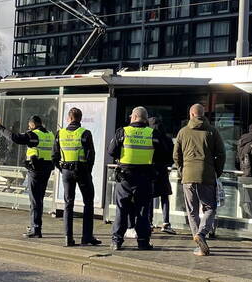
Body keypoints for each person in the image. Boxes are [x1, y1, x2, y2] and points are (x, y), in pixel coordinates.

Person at [173, 103, 226, 256]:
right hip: (206, 175)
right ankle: (202, 234)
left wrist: (182, 170)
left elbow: (176, 155)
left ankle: (198, 240)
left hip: (188, 176)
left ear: (191, 115)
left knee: (192, 211)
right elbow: (221, 154)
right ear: (204, 114)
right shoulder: (212, 131)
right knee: (210, 208)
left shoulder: (183, 132)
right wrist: (216, 171)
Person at [0, 114, 54, 239]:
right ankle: (36, 225)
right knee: (39, 199)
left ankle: (35, 228)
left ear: (32, 124)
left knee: (34, 200)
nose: (29, 127)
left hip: (36, 170)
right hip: (47, 169)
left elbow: (14, 138)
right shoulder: (50, 134)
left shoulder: (34, 134)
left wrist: (0, 127)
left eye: (29, 125)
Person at [107, 107, 157, 250]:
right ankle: (143, 242)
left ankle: (117, 241)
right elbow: (165, 153)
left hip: (125, 177)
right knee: (143, 211)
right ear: (145, 119)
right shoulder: (152, 133)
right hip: (145, 177)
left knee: (121, 209)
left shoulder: (122, 132)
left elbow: (111, 151)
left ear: (134, 117)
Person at [52, 107, 101, 248]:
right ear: (80, 118)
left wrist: (62, 169)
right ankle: (86, 237)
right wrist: (88, 171)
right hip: (82, 170)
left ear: (69, 118)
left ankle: (68, 237)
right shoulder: (85, 133)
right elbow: (91, 155)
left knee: (68, 204)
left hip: (66, 170)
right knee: (88, 202)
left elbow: (54, 156)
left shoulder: (60, 133)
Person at [148, 116, 176, 234]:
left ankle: (149, 223)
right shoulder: (167, 139)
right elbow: (172, 155)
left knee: (149, 197)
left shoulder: (148, 136)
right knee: (164, 196)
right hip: (163, 169)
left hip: (150, 169)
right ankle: (166, 223)